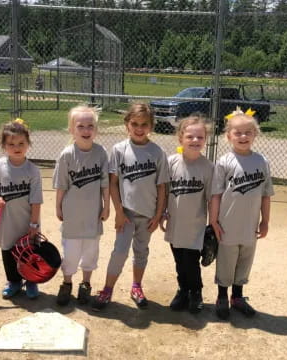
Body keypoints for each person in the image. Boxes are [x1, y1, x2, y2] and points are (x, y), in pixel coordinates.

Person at [92, 102, 169, 311]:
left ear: (151, 126)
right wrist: (118, 212)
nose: (139, 128)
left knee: (141, 251)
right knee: (119, 251)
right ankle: (108, 289)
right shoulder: (119, 149)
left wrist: (159, 213)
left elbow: (162, 187)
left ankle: (136, 286)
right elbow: (113, 183)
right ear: (127, 124)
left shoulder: (157, 152)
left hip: (148, 214)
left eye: (144, 124)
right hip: (126, 214)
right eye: (134, 123)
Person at [209, 108, 274, 320]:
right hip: (228, 223)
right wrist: (214, 221)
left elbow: (265, 195)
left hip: (250, 224)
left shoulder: (262, 162)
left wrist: (265, 221)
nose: (243, 137)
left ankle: (237, 297)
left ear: (255, 135)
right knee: (227, 260)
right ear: (229, 136)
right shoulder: (225, 162)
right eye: (238, 133)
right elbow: (216, 194)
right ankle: (221, 297)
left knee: (245, 260)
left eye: (248, 132)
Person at [53, 105, 110, 306]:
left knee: (90, 252)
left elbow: (105, 183)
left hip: (93, 214)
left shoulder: (101, 152)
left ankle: (85, 284)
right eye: (81, 126)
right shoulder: (67, 155)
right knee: (70, 253)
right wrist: (58, 206)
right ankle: (67, 283)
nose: (86, 130)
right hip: (73, 214)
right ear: (72, 130)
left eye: (90, 126)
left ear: (96, 129)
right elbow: (61, 185)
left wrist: (107, 206)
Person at [0, 118, 43, 300]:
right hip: (5, 220)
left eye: (21, 143)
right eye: (11, 144)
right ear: (4, 146)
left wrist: (34, 223)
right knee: (8, 251)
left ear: (28, 144)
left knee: (29, 251)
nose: (17, 147)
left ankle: (31, 280)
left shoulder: (32, 170)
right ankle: (14, 281)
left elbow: (36, 200)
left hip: (26, 220)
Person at [160, 116, 214, 314]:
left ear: (205, 140)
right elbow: (164, 192)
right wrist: (162, 213)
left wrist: (214, 224)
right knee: (179, 261)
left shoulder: (208, 167)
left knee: (191, 262)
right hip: (175, 224)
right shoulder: (171, 163)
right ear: (180, 138)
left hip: (195, 226)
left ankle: (196, 292)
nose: (195, 140)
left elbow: (211, 199)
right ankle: (183, 290)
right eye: (190, 136)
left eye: (200, 137)